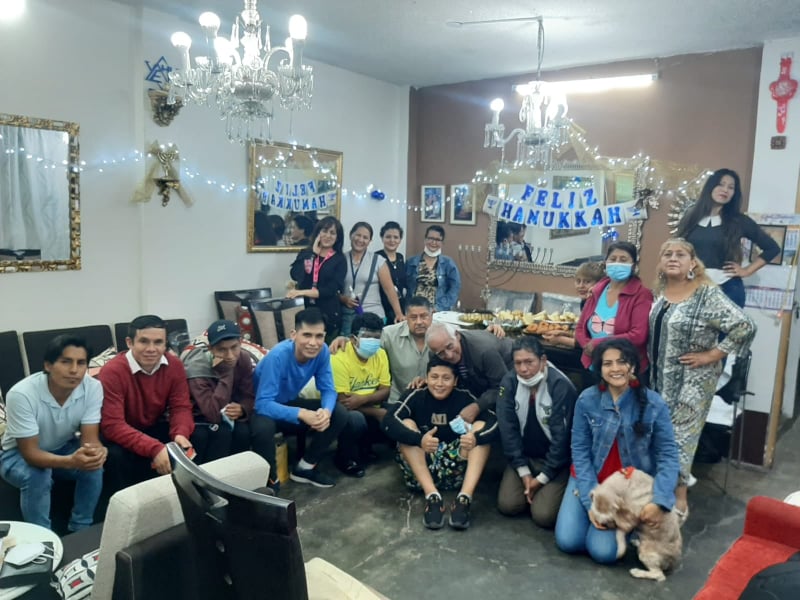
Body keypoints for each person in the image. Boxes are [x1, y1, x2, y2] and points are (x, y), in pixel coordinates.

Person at [648, 238, 756, 521]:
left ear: (692, 263)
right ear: (660, 262)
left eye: (680, 254)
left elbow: (745, 326)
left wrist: (713, 355)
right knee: (663, 440)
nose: (673, 258)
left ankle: (678, 507)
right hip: (660, 381)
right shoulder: (661, 291)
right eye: (667, 254)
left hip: (692, 384)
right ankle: (660, 503)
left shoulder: (706, 294)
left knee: (679, 443)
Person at [554, 338, 679, 564]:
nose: (615, 369)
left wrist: (660, 501)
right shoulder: (587, 399)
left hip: (628, 490)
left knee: (603, 552)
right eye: (607, 363)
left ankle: (629, 526)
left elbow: (668, 455)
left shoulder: (654, 404)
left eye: (622, 362)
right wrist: (590, 502)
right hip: (590, 478)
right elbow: (579, 451)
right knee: (568, 541)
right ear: (599, 369)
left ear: (633, 366)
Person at [0, 335, 106, 532]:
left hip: (63, 447)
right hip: (16, 455)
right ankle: (42, 537)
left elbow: (90, 440)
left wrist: (97, 452)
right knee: (38, 475)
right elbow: (30, 454)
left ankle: (81, 529)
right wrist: (71, 461)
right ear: (48, 365)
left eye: (81, 363)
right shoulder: (21, 394)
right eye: (66, 362)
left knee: (94, 465)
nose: (74, 370)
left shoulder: (93, 387)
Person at [382, 357, 497, 530]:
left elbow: (494, 421)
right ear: (426, 378)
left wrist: (476, 438)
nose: (439, 383)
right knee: (406, 424)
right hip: (421, 471)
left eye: (446, 378)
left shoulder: (464, 396)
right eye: (434, 377)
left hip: (455, 471)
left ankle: (464, 499)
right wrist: (419, 440)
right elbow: (388, 420)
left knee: (480, 428)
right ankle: (433, 498)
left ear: (455, 381)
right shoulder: (416, 394)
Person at [253, 308, 348, 488]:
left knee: (339, 412)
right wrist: (302, 413)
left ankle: (304, 468)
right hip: (263, 410)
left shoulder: (322, 351)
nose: (313, 343)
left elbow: (328, 389)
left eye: (319, 336)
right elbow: (262, 403)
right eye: (307, 335)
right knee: (263, 428)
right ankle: (270, 483)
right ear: (294, 335)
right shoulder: (277, 356)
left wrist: (326, 412)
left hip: (288, 404)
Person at [99, 315, 194, 493]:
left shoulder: (174, 365)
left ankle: (182, 500)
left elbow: (180, 406)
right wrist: (154, 449)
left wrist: (181, 433)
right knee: (116, 456)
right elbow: (112, 425)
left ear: (165, 344)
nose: (151, 349)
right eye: (144, 341)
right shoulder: (112, 372)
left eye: (158, 342)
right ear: (129, 343)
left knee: (194, 438)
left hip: (152, 426)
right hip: (119, 434)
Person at [182, 319, 278, 490]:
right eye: (222, 350)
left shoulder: (243, 358)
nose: (230, 355)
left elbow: (249, 395)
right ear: (211, 349)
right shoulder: (197, 368)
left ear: (240, 343)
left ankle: (248, 482)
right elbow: (212, 413)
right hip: (201, 417)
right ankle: (216, 486)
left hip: (229, 413)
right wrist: (226, 372)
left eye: (234, 347)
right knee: (220, 434)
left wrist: (243, 409)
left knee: (247, 431)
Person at [496, 337, 577, 528]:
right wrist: (523, 471)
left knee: (543, 516)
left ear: (543, 360)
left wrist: (542, 478)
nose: (523, 369)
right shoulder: (509, 382)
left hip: (555, 461)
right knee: (508, 505)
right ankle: (528, 488)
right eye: (518, 363)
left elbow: (562, 439)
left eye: (529, 362)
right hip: (525, 457)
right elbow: (508, 430)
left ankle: (544, 488)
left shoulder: (560, 385)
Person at [676, 168, 781, 307]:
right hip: (692, 286)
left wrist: (747, 270)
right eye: (721, 184)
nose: (725, 190)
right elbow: (678, 248)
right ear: (710, 187)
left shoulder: (739, 221)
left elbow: (772, 248)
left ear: (734, 194)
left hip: (728, 288)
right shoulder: (691, 217)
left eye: (731, 187)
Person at [575, 241, 653, 382]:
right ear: (606, 263)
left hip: (626, 369)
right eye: (613, 259)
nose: (617, 263)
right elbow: (581, 327)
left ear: (633, 265)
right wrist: (586, 345)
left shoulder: (642, 294)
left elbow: (638, 335)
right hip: (594, 365)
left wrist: (598, 344)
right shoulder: (597, 291)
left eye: (623, 260)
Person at [330, 312, 391, 478]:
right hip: (344, 411)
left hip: (369, 404)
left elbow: (386, 390)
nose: (373, 341)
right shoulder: (339, 358)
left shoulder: (380, 354)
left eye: (376, 337)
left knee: (396, 412)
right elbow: (344, 402)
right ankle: (345, 458)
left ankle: (365, 448)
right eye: (367, 337)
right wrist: (376, 411)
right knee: (355, 420)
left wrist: (363, 399)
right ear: (353, 338)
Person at [423, 321, 513, 421]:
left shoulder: (485, 351)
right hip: (476, 379)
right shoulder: (435, 353)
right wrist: (424, 381)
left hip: (508, 373)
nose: (449, 355)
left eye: (450, 346)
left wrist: (477, 406)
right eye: (441, 353)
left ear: (457, 335)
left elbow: (503, 388)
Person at [339, 221, 405, 336]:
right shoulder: (340, 259)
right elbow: (332, 289)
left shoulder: (378, 260)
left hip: (374, 315)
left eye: (365, 237)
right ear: (351, 235)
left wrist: (399, 314)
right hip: (348, 317)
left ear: (370, 241)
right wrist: (343, 299)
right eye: (358, 235)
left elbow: (389, 289)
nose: (361, 240)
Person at [288, 216, 347, 342]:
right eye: (324, 231)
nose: (328, 236)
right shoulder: (306, 253)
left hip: (328, 313)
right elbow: (295, 275)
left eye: (332, 233)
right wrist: (312, 254)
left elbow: (331, 290)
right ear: (318, 233)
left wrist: (301, 292)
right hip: (305, 310)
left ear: (337, 237)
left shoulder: (339, 259)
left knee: (325, 349)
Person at [541, 261, 605, 349]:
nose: (581, 286)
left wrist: (560, 340)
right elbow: (584, 334)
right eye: (578, 281)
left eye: (587, 282)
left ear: (599, 284)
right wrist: (564, 333)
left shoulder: (600, 306)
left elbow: (589, 343)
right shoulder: (585, 302)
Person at [406, 225, 461, 311]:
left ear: (442, 243)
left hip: (438, 311)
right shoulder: (411, 262)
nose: (433, 242)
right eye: (430, 238)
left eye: (437, 239)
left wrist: (439, 307)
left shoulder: (448, 263)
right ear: (425, 240)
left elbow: (455, 288)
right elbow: (405, 286)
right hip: (414, 310)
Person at [376, 221, 406, 325]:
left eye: (396, 237)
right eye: (388, 237)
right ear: (382, 238)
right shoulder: (376, 257)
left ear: (400, 240)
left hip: (400, 308)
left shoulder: (400, 257)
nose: (392, 240)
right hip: (382, 307)